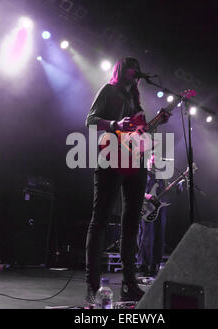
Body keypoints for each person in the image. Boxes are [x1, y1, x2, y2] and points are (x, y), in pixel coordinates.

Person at [84, 57, 170, 306]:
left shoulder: (136, 99)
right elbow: (89, 119)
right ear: (123, 70)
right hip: (110, 156)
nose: (137, 73)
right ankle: (92, 287)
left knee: (132, 222)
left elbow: (139, 133)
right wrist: (114, 123)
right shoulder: (109, 90)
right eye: (133, 68)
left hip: (135, 161)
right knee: (99, 219)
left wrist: (157, 122)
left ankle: (129, 285)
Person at [137, 153, 168, 277]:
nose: (154, 163)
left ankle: (155, 264)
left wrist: (179, 186)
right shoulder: (142, 174)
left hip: (160, 209)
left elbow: (167, 191)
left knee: (159, 236)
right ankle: (143, 265)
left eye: (156, 161)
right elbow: (136, 190)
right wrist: (147, 196)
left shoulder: (161, 177)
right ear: (148, 161)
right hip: (146, 208)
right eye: (152, 161)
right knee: (147, 237)